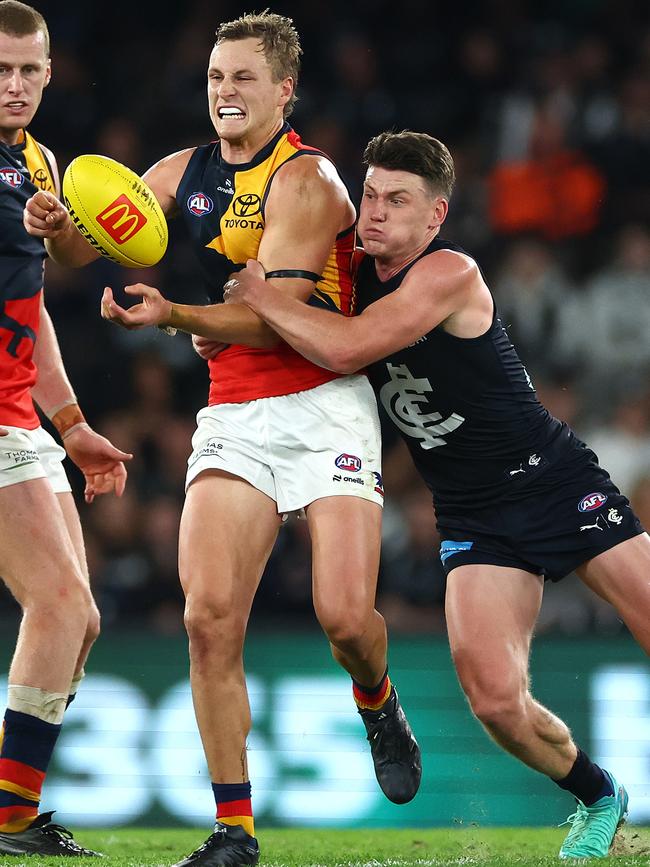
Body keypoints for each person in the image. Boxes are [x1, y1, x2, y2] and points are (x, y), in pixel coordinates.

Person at [24, 13, 421, 867]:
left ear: (285, 90)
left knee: (346, 616)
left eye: (243, 78)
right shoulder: (180, 171)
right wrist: (59, 225)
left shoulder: (308, 182)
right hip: (235, 412)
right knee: (207, 619)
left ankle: (377, 696)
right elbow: (77, 256)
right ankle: (234, 832)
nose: (225, 93)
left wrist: (172, 315)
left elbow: (276, 321)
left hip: (324, 404)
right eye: (214, 77)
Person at [222, 129, 650, 860]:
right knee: (492, 697)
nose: (377, 212)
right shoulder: (346, 272)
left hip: (552, 481)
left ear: (436, 216)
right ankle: (599, 796)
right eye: (370, 196)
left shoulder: (449, 271)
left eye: (398, 200)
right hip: (474, 513)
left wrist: (262, 299)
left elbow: (351, 347)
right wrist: (216, 323)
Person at [0, 0, 132, 857]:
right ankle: (6, 820)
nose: (13, 86)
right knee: (59, 602)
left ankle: (14, 808)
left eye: (27, 70)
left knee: (78, 620)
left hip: (19, 408)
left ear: (50, 73)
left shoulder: (39, 164)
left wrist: (73, 423)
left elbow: (32, 310)